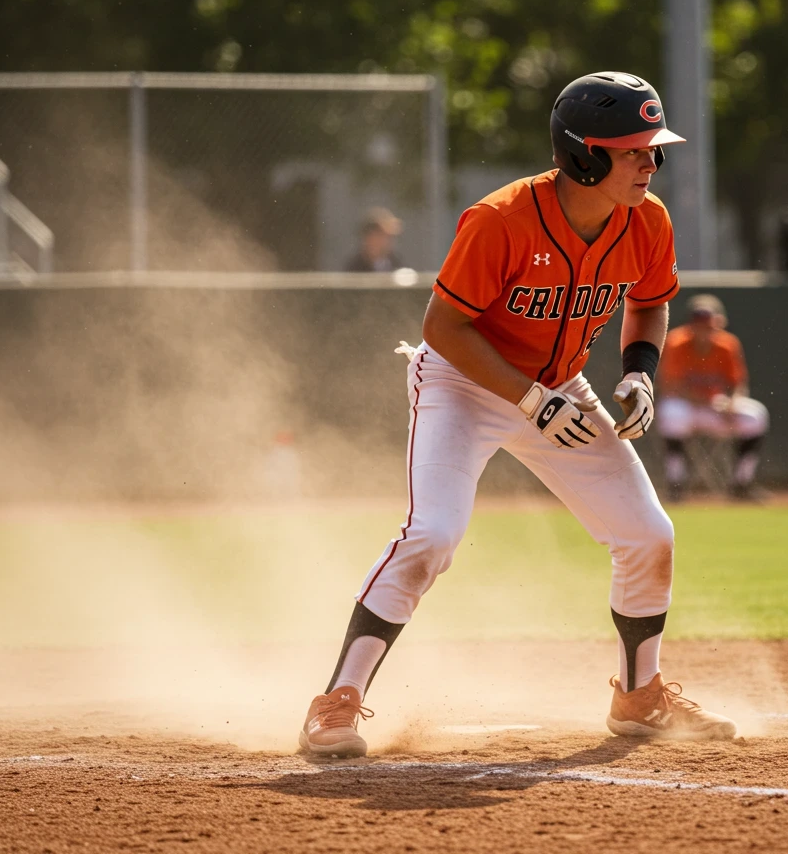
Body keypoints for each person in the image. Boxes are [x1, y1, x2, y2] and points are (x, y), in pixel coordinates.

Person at [298, 72, 737, 758]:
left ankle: (638, 696)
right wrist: (531, 399)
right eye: (633, 150)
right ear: (583, 154)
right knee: (434, 535)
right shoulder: (501, 219)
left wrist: (639, 375)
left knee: (649, 534)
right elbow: (444, 327)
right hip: (464, 386)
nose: (651, 163)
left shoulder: (647, 219)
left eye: (654, 149)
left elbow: (649, 301)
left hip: (561, 389)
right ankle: (337, 702)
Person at [656, 294, 770, 501]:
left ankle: (741, 482)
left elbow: (738, 384)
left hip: (717, 409)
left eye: (708, 325)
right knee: (672, 413)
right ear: (691, 325)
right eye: (699, 325)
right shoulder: (676, 341)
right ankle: (676, 483)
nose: (704, 330)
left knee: (756, 416)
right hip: (689, 408)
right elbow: (671, 386)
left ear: (718, 324)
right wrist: (710, 403)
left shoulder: (727, 344)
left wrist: (732, 404)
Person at [345, 207, 403, 272]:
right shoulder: (354, 268)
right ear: (369, 237)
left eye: (390, 236)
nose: (388, 241)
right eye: (382, 235)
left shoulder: (397, 265)